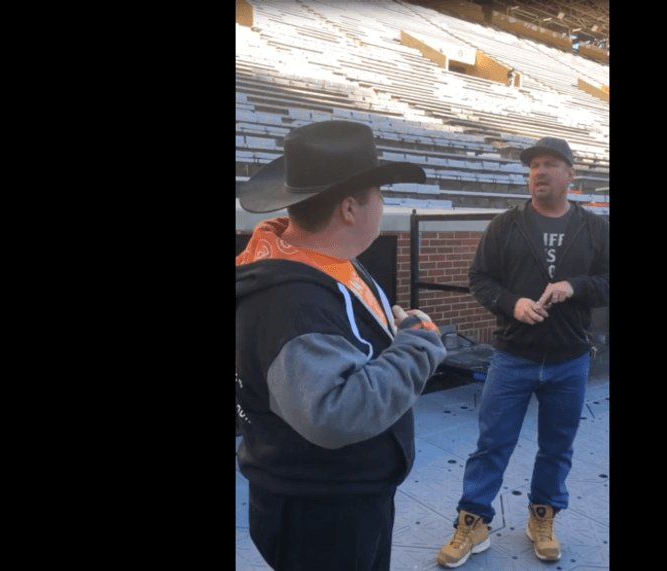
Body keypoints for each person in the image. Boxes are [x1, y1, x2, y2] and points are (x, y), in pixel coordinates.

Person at [235, 120, 448, 571]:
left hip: (346, 492)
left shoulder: (318, 258)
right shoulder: (290, 300)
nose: (384, 205)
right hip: (323, 511)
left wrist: (393, 331)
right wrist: (419, 343)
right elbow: (335, 412)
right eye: (380, 195)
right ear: (350, 208)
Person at [436, 136, 609, 567]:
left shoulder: (595, 228)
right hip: (513, 357)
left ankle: (542, 518)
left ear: (571, 175)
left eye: (551, 164)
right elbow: (480, 279)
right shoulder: (505, 225)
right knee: (491, 445)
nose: (539, 172)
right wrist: (511, 302)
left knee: (557, 448)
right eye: (533, 165)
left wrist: (576, 286)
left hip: (569, 358)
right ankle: (472, 522)